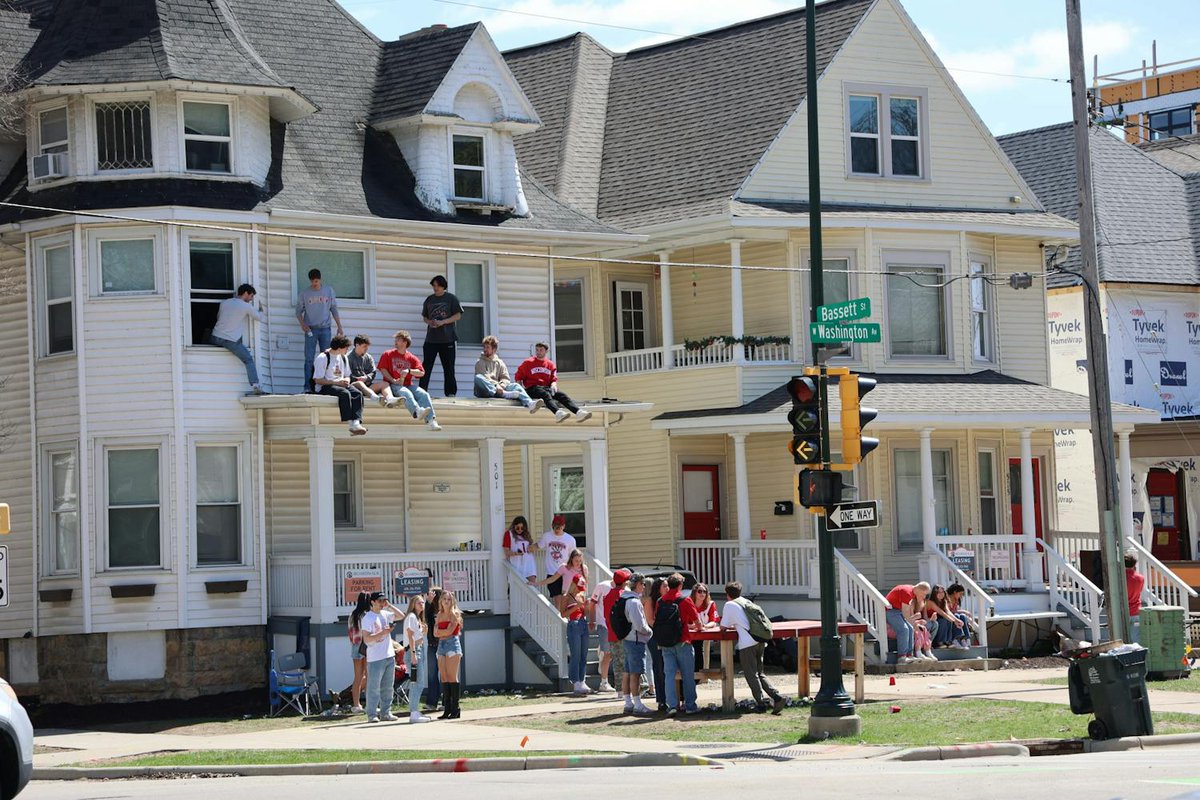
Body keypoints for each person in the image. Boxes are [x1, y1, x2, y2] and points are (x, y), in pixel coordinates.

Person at [721, 581, 786, 714]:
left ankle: (761, 703)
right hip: (760, 640)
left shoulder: (729, 605)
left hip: (747, 643)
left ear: (727, 594)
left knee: (751, 675)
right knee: (760, 673)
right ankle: (776, 696)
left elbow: (723, 627)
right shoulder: (746, 602)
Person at [208, 283, 266, 394]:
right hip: (230, 340)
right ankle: (256, 386)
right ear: (245, 293)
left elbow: (219, 318)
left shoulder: (224, 303)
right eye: (251, 296)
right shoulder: (245, 306)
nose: (251, 299)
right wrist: (261, 309)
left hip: (215, 337)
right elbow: (259, 317)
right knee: (248, 360)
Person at [656, 572, 701, 715]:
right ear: (680, 585)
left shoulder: (660, 601)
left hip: (665, 643)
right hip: (682, 642)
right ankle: (690, 706)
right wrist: (696, 627)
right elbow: (697, 623)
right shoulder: (685, 600)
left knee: (669, 675)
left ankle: (672, 706)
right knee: (687, 675)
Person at [514, 342, 592, 424]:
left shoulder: (551, 365)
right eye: (537, 350)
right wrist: (521, 392)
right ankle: (558, 413)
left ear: (546, 351)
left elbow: (553, 379)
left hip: (546, 388)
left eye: (541, 350)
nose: (538, 352)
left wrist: (553, 384)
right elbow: (518, 377)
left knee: (562, 395)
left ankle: (579, 412)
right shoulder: (528, 363)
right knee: (546, 394)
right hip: (532, 388)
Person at [378, 331, 440, 431]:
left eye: (398, 340)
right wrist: (393, 380)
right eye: (396, 340)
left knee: (424, 394)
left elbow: (421, 373)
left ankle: (432, 421)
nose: (395, 342)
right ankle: (417, 411)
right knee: (406, 393)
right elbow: (383, 369)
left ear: (405, 342)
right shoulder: (387, 354)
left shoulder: (412, 358)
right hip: (392, 385)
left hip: (408, 385)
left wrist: (409, 371)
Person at [296, 268, 343, 393]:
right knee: (309, 359)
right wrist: (302, 324)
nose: (314, 284)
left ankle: (325, 386)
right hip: (311, 329)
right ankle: (308, 386)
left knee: (327, 357)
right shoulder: (305, 294)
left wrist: (339, 326)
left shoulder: (328, 291)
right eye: (312, 281)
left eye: (316, 281)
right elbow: (298, 311)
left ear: (320, 279)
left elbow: (334, 309)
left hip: (325, 329)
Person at [361, 591, 403, 722]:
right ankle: (372, 714)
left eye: (383, 600)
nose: (381, 603)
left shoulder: (385, 613)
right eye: (379, 601)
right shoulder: (367, 618)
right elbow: (367, 639)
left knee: (388, 686)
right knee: (373, 687)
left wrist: (389, 605)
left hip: (389, 655)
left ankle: (386, 712)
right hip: (375, 658)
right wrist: (383, 633)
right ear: (372, 602)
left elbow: (401, 615)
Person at [313, 335, 367, 436]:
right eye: (346, 347)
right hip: (325, 386)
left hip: (340, 384)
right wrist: (336, 383)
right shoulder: (323, 358)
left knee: (357, 393)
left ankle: (356, 422)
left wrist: (346, 380)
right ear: (339, 348)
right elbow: (318, 380)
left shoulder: (343, 357)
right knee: (344, 393)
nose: (348, 350)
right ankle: (351, 424)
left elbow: (347, 375)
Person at [474, 336, 543, 413]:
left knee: (515, 385)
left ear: (494, 349)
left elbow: (505, 378)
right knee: (478, 377)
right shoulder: (480, 362)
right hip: (485, 391)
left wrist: (502, 385)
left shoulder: (499, 362)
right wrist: (497, 386)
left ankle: (529, 403)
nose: (485, 349)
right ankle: (503, 394)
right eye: (484, 347)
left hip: (500, 389)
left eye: (487, 347)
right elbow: (485, 377)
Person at [420, 275, 463, 397]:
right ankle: (422, 391)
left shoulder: (451, 298)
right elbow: (425, 317)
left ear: (443, 286)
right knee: (426, 367)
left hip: (447, 339)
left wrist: (443, 322)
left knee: (448, 367)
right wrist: (430, 322)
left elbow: (458, 315)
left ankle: (450, 393)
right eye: (433, 285)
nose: (435, 288)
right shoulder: (429, 299)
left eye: (437, 285)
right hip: (431, 339)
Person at [556, 551, 590, 695]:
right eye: (579, 585)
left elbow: (586, 612)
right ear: (574, 584)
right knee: (575, 654)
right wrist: (577, 606)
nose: (581, 588)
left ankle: (582, 680)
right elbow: (563, 614)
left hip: (583, 623)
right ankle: (575, 681)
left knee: (584, 654)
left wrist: (587, 607)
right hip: (573, 624)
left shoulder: (582, 594)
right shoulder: (567, 596)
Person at [620, 573, 654, 715]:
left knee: (627, 672)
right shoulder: (634, 602)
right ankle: (638, 704)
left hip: (627, 639)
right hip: (635, 640)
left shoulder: (623, 598)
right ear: (638, 584)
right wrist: (649, 632)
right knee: (636, 673)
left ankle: (628, 702)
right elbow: (640, 625)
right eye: (643, 584)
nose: (644, 586)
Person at [536, 515, 576, 613]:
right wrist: (527, 548)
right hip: (552, 572)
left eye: (559, 527)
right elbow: (538, 546)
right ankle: (559, 619)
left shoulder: (570, 539)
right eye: (555, 527)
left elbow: (573, 555)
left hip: (565, 572)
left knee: (565, 597)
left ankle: (563, 618)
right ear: (552, 526)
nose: (557, 529)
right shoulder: (547, 536)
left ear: (564, 526)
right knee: (557, 598)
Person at [435, 590, 464, 720]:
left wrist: (442, 632)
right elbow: (435, 633)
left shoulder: (455, 614)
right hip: (441, 645)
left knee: (452, 676)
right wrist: (443, 632)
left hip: (452, 644)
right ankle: (447, 709)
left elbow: (450, 631)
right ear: (440, 601)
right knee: (444, 677)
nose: (446, 602)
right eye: (444, 599)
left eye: (449, 599)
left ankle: (455, 708)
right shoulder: (439, 615)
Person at [602, 569, 631, 700]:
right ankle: (629, 689)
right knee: (627, 662)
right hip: (625, 634)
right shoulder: (625, 595)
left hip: (612, 633)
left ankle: (620, 690)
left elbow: (605, 615)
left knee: (617, 663)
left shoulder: (607, 596)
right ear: (624, 582)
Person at [403, 594, 432, 723]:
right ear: (413, 604)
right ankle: (413, 713)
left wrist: (424, 633)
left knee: (418, 682)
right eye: (419, 602)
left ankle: (415, 711)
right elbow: (410, 636)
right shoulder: (411, 616)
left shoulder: (418, 619)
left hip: (418, 650)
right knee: (416, 683)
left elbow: (418, 639)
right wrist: (414, 654)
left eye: (423, 602)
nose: (422, 604)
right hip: (413, 652)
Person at [885, 582, 929, 665]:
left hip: (897, 611)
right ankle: (902, 657)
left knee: (910, 628)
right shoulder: (907, 593)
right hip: (890, 611)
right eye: (924, 594)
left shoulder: (912, 591)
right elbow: (905, 612)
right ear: (919, 590)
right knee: (904, 629)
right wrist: (914, 623)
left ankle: (909, 655)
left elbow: (906, 613)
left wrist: (913, 623)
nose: (924, 597)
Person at [590, 573, 617, 692]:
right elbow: (592, 603)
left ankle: (620, 682)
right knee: (607, 654)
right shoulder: (602, 586)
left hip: (617, 626)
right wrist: (592, 620)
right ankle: (604, 682)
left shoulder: (624, 589)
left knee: (616, 655)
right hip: (603, 624)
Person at [689, 583, 720, 682]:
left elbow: (714, 621)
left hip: (705, 633)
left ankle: (702, 677)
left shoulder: (711, 604)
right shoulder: (688, 603)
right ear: (694, 593)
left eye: (704, 591)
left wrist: (704, 626)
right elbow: (683, 622)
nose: (702, 594)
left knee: (703, 653)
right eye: (699, 591)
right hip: (690, 635)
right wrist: (692, 626)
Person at [644, 577, 667, 711]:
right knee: (659, 667)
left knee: (667, 668)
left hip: (667, 637)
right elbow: (650, 620)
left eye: (668, 586)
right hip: (655, 637)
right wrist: (664, 628)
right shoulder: (650, 601)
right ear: (658, 588)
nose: (667, 588)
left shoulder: (668, 600)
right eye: (664, 586)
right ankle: (661, 699)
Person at [347, 592, 370, 712]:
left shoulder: (352, 615)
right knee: (369, 675)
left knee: (358, 677)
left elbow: (350, 633)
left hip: (355, 646)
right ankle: (369, 703)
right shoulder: (367, 615)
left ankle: (356, 705)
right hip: (366, 646)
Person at [926, 584, 966, 649]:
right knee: (943, 620)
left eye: (942, 592)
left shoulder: (943, 601)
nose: (941, 594)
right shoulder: (931, 602)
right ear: (934, 593)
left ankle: (948, 641)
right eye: (938, 592)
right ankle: (939, 642)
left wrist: (956, 620)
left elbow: (948, 612)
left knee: (947, 620)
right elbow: (942, 613)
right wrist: (954, 621)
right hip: (930, 620)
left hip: (939, 618)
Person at [423, 586, 443, 713]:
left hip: (443, 644)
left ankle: (447, 701)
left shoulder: (445, 611)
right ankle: (432, 702)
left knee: (446, 675)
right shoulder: (430, 611)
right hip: (432, 645)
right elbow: (424, 615)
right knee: (432, 675)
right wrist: (428, 602)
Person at [502, 515, 537, 583]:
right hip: (517, 564)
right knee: (517, 587)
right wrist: (516, 553)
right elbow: (506, 552)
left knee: (532, 586)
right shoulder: (509, 534)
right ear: (514, 526)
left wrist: (532, 548)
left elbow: (530, 546)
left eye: (522, 528)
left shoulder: (526, 534)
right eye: (517, 528)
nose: (520, 530)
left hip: (529, 563)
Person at [347, 335, 382, 403]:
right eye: (364, 346)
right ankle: (376, 398)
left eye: (367, 346)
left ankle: (390, 399)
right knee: (360, 383)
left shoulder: (368, 357)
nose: (367, 348)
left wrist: (366, 378)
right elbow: (347, 375)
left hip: (367, 386)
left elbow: (373, 372)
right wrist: (359, 378)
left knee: (385, 384)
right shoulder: (348, 357)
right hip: (354, 386)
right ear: (357, 345)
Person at [945, 583, 975, 650]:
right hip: (947, 617)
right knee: (957, 615)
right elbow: (949, 611)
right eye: (960, 594)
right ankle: (956, 638)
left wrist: (963, 612)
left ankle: (965, 638)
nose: (961, 596)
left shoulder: (956, 600)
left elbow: (955, 610)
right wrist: (963, 611)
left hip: (954, 616)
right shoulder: (946, 599)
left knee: (962, 616)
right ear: (955, 592)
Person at [1126, 551, 1146, 643]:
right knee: (1136, 639)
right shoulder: (1140, 578)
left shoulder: (1120, 576)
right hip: (1136, 611)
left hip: (1123, 611)